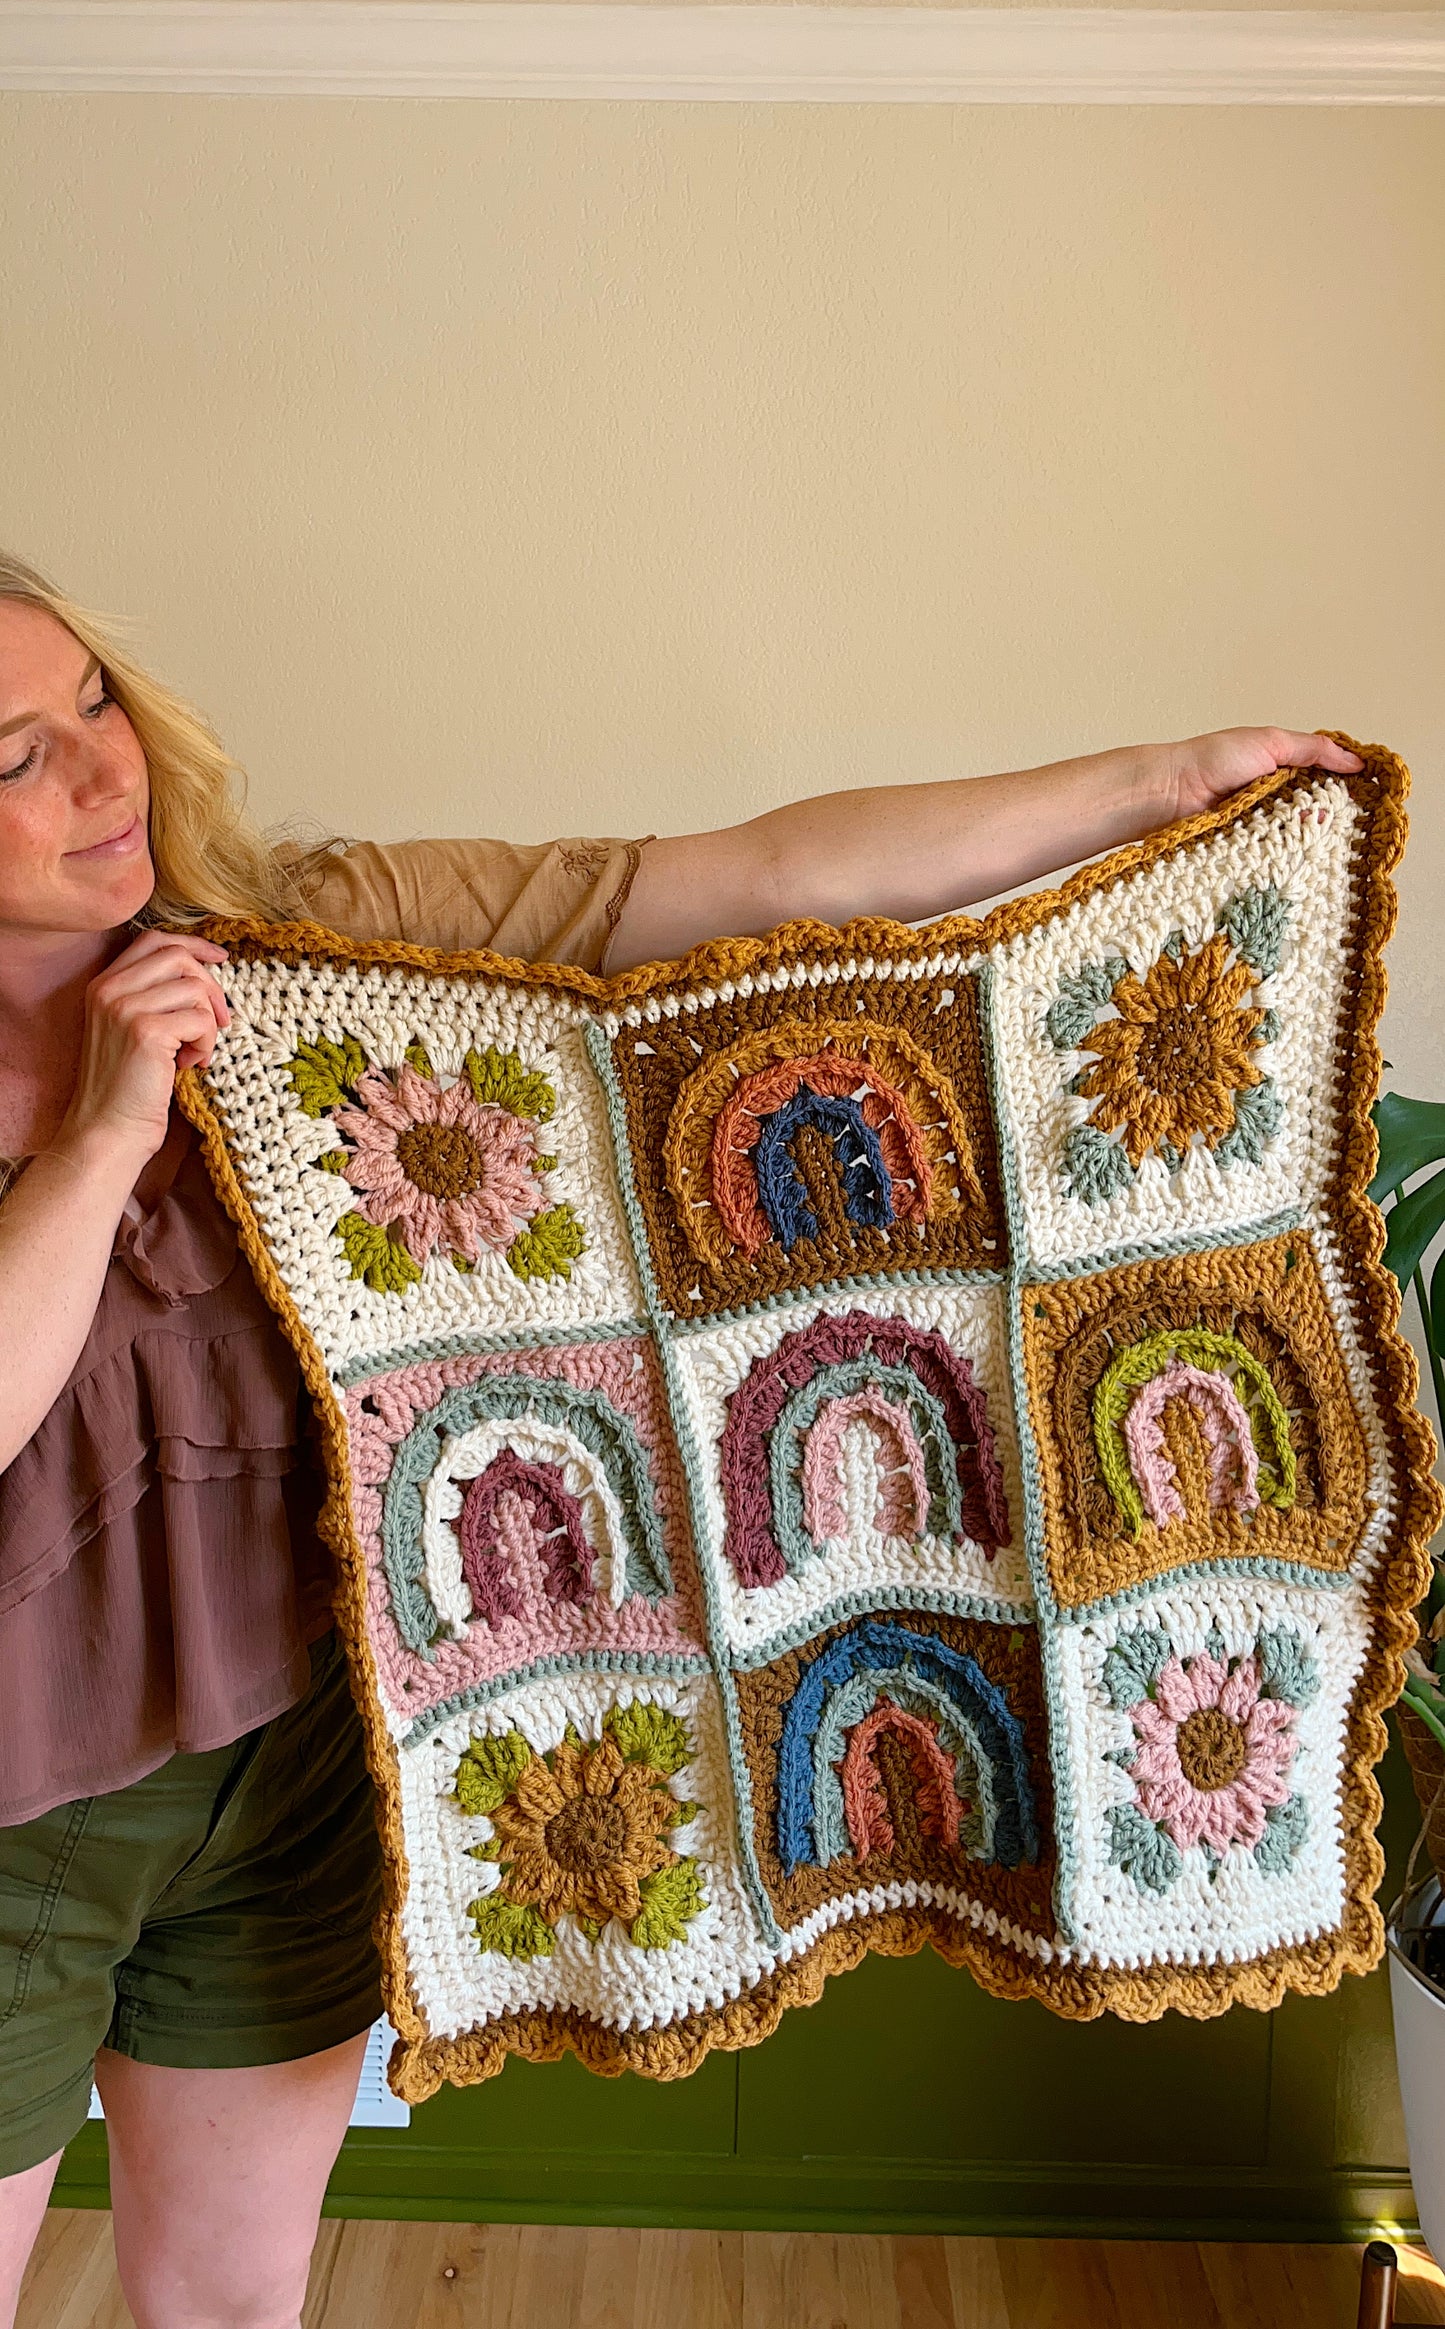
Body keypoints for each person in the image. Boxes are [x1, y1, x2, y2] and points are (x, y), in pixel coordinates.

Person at [0, 546, 1360, 2329]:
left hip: (301, 1778)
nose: (107, 773)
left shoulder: (308, 944)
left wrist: (1142, 787)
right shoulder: (123, 1070)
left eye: (95, 698)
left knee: (235, 2303)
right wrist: (102, 1138)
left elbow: (746, 877)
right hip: (21, 1806)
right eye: (15, 756)